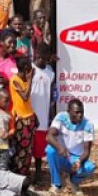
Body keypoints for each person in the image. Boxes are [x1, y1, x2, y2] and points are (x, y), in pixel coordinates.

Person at [46, 99, 96, 195]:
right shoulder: (61, 117)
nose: (80, 115)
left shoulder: (88, 124)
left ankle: (73, 182)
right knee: (50, 150)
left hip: (76, 158)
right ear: (68, 112)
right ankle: (56, 184)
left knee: (90, 168)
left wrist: (79, 161)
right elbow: (49, 136)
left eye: (82, 112)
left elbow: (87, 151)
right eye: (76, 112)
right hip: (62, 155)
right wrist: (60, 148)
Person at [30, 44, 55, 182]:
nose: (42, 60)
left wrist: (50, 115)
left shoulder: (50, 74)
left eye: (45, 58)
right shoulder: (28, 69)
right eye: (40, 57)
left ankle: (38, 173)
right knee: (27, 145)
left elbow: (50, 96)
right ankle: (26, 171)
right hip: (28, 114)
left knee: (39, 148)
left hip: (43, 117)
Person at [10, 57, 37, 175]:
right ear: (26, 67)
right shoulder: (14, 80)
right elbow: (25, 96)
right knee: (21, 149)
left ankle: (24, 173)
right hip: (20, 119)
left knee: (28, 150)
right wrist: (31, 79)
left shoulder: (25, 80)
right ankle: (19, 174)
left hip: (29, 117)